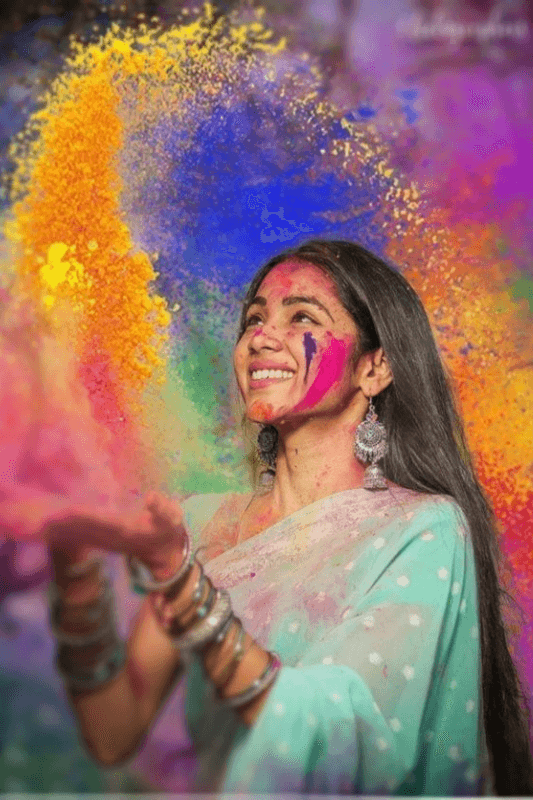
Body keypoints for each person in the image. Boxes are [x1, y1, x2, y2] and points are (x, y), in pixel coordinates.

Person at [43, 239, 533, 795]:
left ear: (375, 368)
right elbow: (114, 733)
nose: (261, 336)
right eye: (254, 319)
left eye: (301, 315)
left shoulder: (422, 529)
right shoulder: (200, 525)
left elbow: (348, 742)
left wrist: (180, 582)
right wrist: (74, 562)